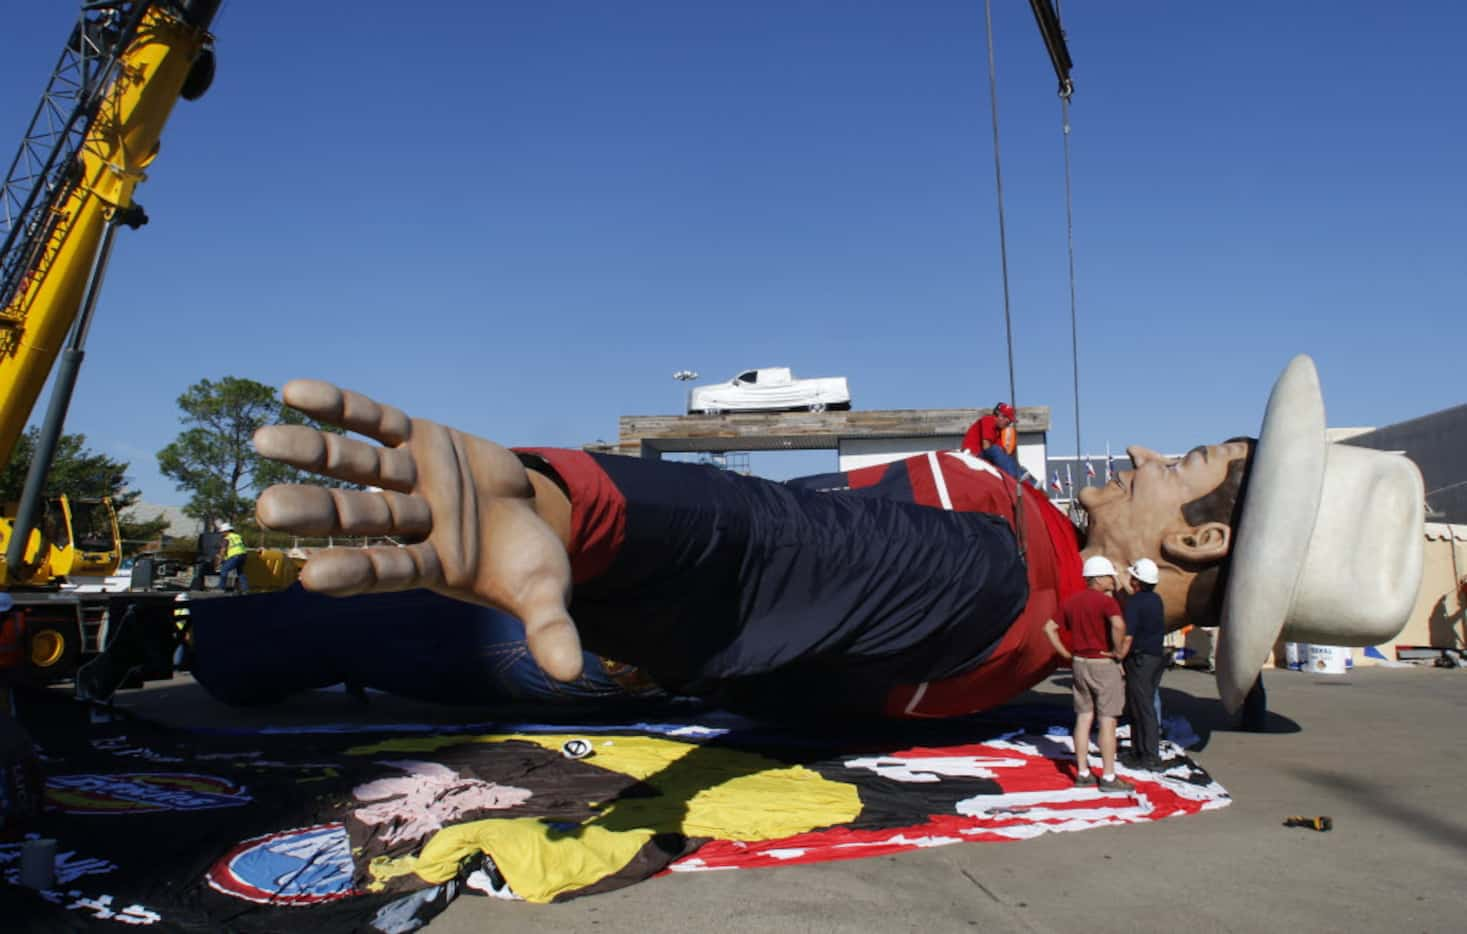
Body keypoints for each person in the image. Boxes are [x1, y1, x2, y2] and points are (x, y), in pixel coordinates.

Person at [243, 355, 1424, 722]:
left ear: (1209, 538)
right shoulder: (1067, 604)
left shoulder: (1008, 577)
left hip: (567, 614)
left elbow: (783, 541)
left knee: (252, 642)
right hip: (609, 601)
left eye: (1195, 468)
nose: (1154, 455)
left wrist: (572, 507)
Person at [1043, 556, 1133, 791]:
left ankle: (1083, 772)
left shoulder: (1072, 602)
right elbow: (1119, 625)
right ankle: (1109, 776)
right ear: (1100, 578)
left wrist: (1065, 653)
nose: (1113, 580)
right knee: (1107, 721)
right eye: (1109, 576)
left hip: (1080, 662)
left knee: (1083, 718)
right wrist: (1117, 650)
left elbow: (1049, 628)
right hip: (1103, 664)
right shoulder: (1106, 603)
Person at [1119, 557, 1166, 769]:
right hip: (1154, 657)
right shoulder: (1156, 600)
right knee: (1141, 704)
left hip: (1140, 660)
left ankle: (1149, 755)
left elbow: (1128, 636)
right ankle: (1140, 751)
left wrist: (1117, 656)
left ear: (1137, 581)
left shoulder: (1135, 603)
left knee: (1142, 706)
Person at [960, 402, 1021, 479]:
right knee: (995, 450)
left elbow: (1005, 453)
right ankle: (1014, 477)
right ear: (1000, 416)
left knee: (1012, 461)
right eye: (1008, 419)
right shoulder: (988, 420)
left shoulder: (1000, 431)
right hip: (973, 456)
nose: (1009, 423)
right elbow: (987, 447)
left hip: (983, 457)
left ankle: (1032, 484)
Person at [215, 522, 249, 594]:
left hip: (235, 556)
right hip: (243, 556)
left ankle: (221, 588)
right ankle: (245, 589)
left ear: (226, 531)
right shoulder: (238, 536)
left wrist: (220, 561)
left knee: (224, 570)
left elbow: (223, 550)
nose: (221, 534)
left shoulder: (227, 538)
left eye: (222, 532)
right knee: (240, 572)